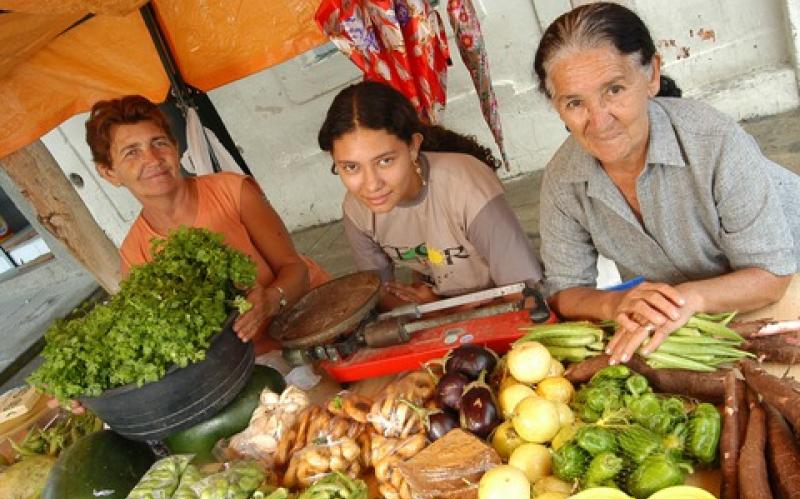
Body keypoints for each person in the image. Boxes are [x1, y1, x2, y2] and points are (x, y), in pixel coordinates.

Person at [533, 2, 800, 364]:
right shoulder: (564, 180)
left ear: (652, 75)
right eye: (575, 102)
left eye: (613, 90)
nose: (598, 121)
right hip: (700, 310)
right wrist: (614, 303)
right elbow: (564, 290)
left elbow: (772, 275)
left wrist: (691, 298)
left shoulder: (714, 140)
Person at [85, 95, 329, 354]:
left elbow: (296, 270)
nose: (153, 159)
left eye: (159, 143)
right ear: (109, 173)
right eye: (131, 152)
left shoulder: (233, 192)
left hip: (313, 322)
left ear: (176, 148)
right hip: (250, 361)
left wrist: (268, 301)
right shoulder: (136, 255)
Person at [317, 81, 542, 310]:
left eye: (385, 161)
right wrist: (433, 310)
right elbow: (379, 296)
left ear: (413, 147)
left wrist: (439, 309)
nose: (371, 185)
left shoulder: (466, 186)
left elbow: (527, 296)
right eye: (351, 167)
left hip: (503, 311)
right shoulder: (357, 210)